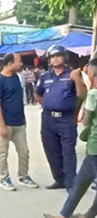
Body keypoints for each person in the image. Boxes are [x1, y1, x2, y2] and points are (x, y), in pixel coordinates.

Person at [43, 58, 97, 218]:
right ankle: (68, 216)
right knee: (81, 181)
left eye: (88, 71)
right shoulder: (47, 76)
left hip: (95, 145)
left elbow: (86, 120)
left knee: (81, 179)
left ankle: (64, 217)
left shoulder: (93, 94)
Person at [35, 45, 86, 190]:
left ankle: (71, 183)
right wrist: (49, 104)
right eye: (52, 56)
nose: (55, 58)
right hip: (48, 119)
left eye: (58, 55)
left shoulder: (72, 75)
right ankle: (59, 179)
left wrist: (76, 80)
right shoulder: (45, 76)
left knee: (68, 151)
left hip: (66, 118)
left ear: (65, 57)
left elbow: (82, 94)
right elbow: (38, 94)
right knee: (51, 150)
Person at [0, 53, 38, 191]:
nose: (21, 63)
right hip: (5, 123)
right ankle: (4, 178)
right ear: (10, 63)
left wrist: (23, 120)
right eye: (19, 61)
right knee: (3, 152)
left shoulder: (17, 78)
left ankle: (23, 176)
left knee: (24, 151)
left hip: (19, 123)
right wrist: (2, 126)